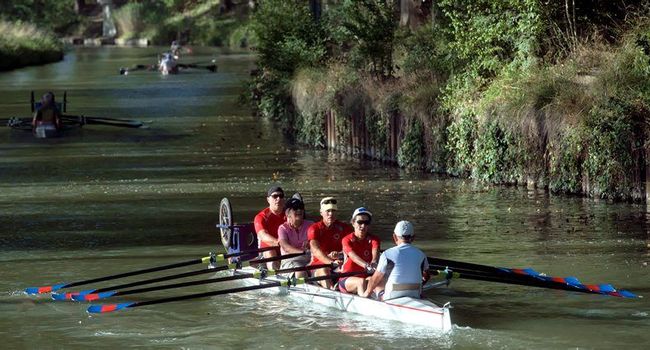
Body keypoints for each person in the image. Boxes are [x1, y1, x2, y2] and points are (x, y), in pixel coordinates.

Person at [362, 220, 430, 300]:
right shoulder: (421, 255)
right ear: (413, 237)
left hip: (391, 296)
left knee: (375, 280)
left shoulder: (387, 254)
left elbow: (376, 278)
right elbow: (427, 276)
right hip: (415, 294)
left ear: (394, 237)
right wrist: (420, 286)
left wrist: (365, 294)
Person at [307, 197, 352, 288]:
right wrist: (330, 261)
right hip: (318, 265)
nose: (331, 214)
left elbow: (351, 247)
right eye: (328, 211)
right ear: (321, 213)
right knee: (324, 270)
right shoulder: (314, 229)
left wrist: (339, 255)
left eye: (333, 211)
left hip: (338, 262)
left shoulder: (344, 228)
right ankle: (332, 290)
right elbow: (316, 251)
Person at [338, 207, 380, 296]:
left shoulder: (374, 239)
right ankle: (365, 303)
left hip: (365, 276)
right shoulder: (346, 240)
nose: (363, 226)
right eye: (360, 222)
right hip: (346, 278)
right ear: (353, 223)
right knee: (360, 282)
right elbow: (353, 257)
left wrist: (374, 262)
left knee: (379, 279)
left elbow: (375, 253)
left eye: (366, 223)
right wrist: (366, 266)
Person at [277, 197, 313, 277]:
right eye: (295, 208)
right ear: (287, 213)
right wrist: (302, 252)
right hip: (290, 260)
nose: (299, 210)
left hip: (309, 258)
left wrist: (311, 244)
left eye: (301, 208)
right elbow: (286, 247)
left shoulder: (311, 225)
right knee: (300, 272)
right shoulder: (282, 228)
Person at [254, 186, 286, 269]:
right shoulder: (261, 217)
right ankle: (275, 275)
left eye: (281, 196)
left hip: (286, 249)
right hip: (265, 253)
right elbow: (263, 235)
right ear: (268, 199)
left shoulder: (289, 215)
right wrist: (280, 243)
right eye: (275, 196)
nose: (278, 199)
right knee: (270, 251)